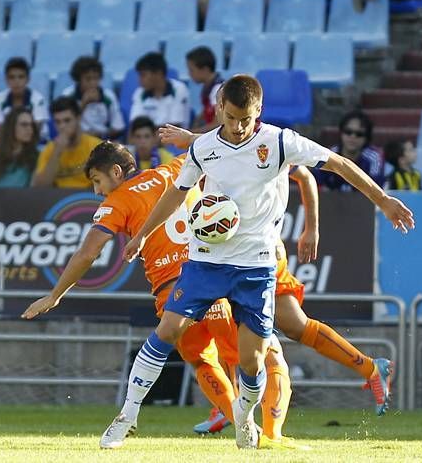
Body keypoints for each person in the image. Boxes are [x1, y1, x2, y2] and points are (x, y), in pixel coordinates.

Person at [101, 75, 413, 450]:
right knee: (168, 329)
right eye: (230, 118)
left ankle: (245, 419)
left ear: (258, 112)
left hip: (257, 266)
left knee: (252, 361)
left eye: (245, 119)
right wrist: (143, 234)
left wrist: (384, 200)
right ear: (220, 109)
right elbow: (176, 192)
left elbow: (339, 164)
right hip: (207, 260)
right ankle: (127, 417)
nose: (237, 127)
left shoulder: (280, 142)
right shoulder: (204, 148)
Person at [21, 143, 298, 449]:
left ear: (116, 172)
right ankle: (268, 434)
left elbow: (88, 252)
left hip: (175, 296)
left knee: (200, 361)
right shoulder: (175, 169)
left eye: (97, 180)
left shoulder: (117, 201)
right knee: (262, 357)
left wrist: (55, 295)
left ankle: (237, 426)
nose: (97, 191)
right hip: (214, 281)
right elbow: (221, 145)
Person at [160, 122, 398, 422]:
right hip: (227, 254)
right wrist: (190, 138)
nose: (230, 120)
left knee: (258, 331)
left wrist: (311, 228)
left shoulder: (269, 146)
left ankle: (245, 416)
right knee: (283, 326)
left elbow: (307, 177)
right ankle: (369, 368)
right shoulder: (211, 147)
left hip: (259, 256)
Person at [31, 96, 101, 188]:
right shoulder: (50, 149)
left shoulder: (96, 147)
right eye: (58, 122)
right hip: (59, 200)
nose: (62, 126)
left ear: (78, 118)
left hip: (88, 198)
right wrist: (57, 152)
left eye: (67, 120)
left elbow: (107, 185)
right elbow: (39, 187)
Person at [314, 110, 385, 191]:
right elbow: (316, 182)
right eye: (348, 132)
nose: (353, 137)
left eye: (359, 134)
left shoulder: (374, 158)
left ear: (366, 138)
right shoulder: (330, 155)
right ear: (341, 133)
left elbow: (376, 189)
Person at [61, 56, 125, 140]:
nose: (93, 83)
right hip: (76, 140)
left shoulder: (108, 96)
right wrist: (83, 104)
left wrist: (101, 135)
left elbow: (118, 127)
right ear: (78, 79)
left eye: (96, 78)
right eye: (88, 79)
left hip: (102, 141)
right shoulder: (68, 95)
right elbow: (64, 126)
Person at [0, 57, 49, 138]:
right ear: (6, 80)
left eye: (21, 77)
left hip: (35, 141)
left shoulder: (38, 99)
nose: (16, 82)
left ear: (28, 79)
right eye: (12, 77)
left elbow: (36, 130)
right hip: (8, 141)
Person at [128, 52, 190, 128]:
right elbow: (135, 126)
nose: (139, 80)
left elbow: (175, 127)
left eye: (143, 75)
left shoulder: (179, 89)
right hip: (147, 137)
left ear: (158, 74)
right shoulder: (139, 93)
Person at [0, 107, 40, 187]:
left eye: (31, 125)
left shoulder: (36, 158)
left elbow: (33, 192)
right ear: (11, 127)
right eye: (24, 125)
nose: (30, 129)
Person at [185, 46, 223, 133]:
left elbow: (218, 124)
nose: (189, 74)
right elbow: (205, 112)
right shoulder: (208, 88)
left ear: (205, 69)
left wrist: (192, 133)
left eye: (191, 70)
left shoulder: (218, 90)